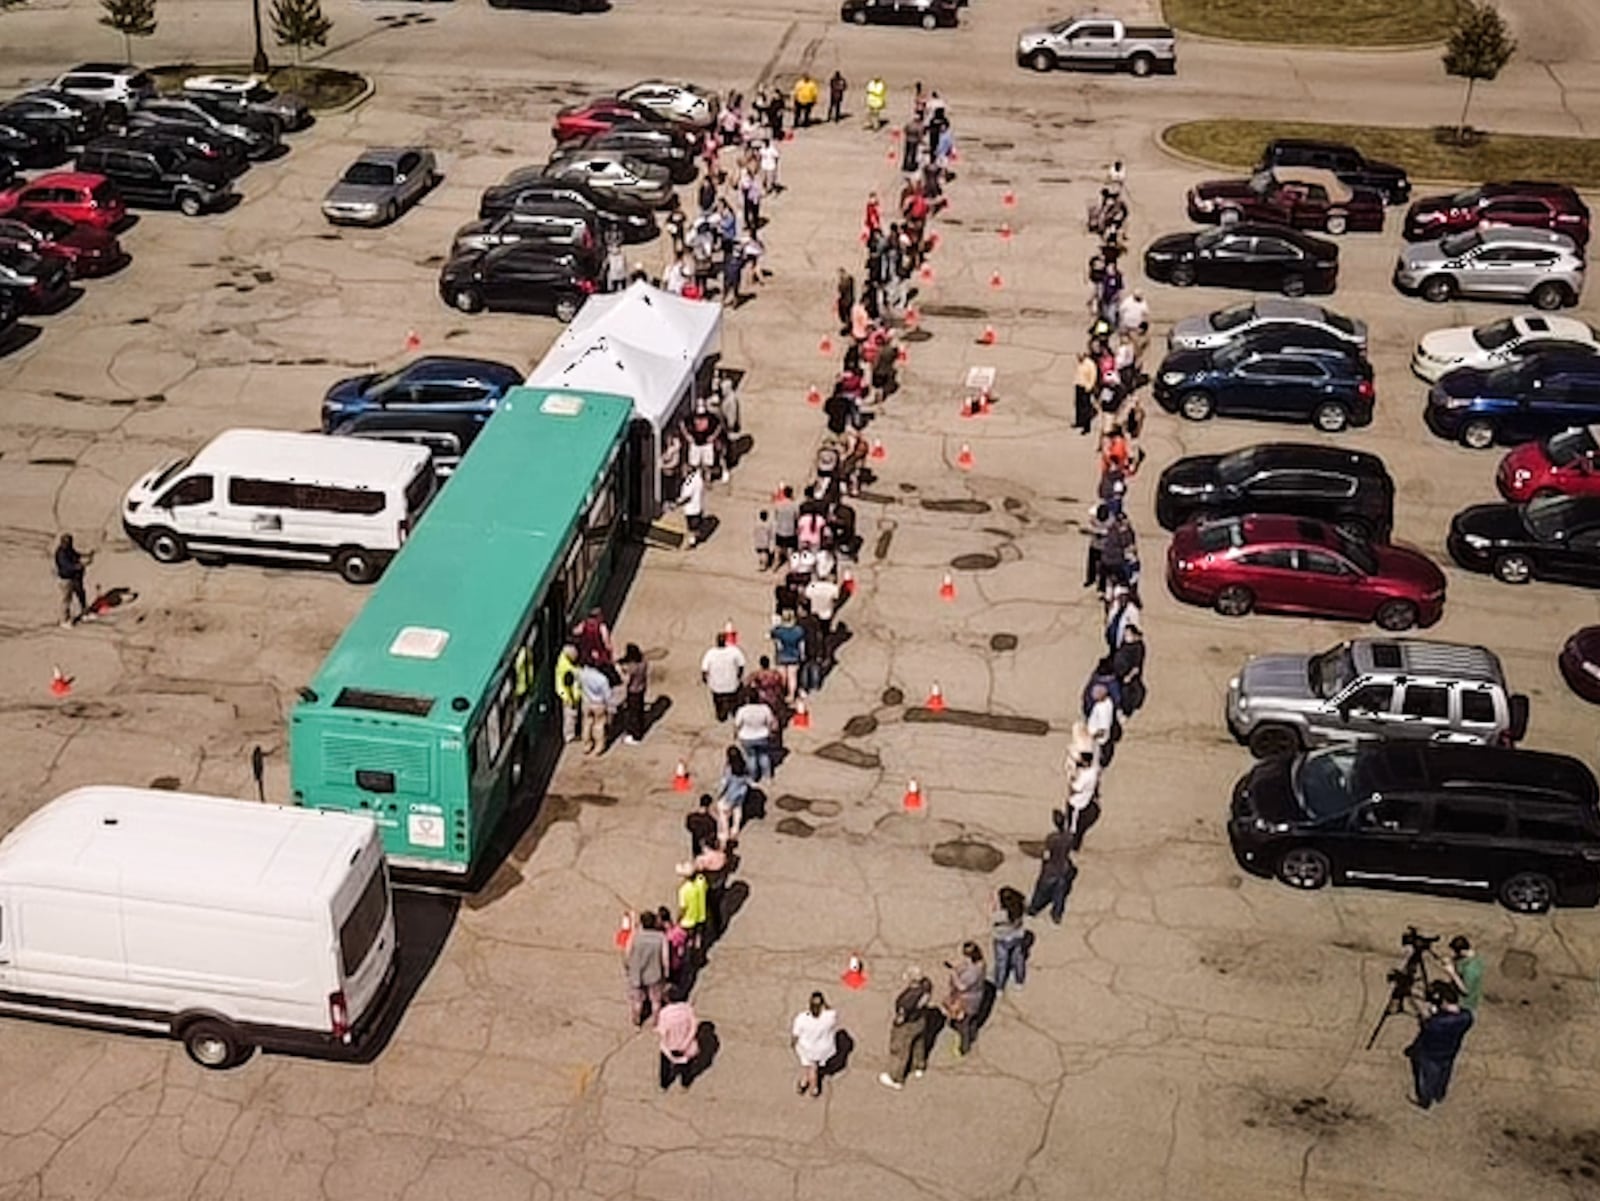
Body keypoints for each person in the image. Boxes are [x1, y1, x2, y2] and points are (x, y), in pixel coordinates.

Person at [1407, 980, 1473, 1108]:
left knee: (1426, 1078)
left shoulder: (1437, 1023)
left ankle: (1425, 1100)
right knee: (1444, 1074)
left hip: (1430, 1053)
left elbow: (1425, 1024)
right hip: (1450, 1051)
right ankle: (1439, 1094)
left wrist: (1416, 1004)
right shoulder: (1467, 1016)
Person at [878, 971, 934, 1090]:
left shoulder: (906, 1000)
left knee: (901, 1050)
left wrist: (897, 1025)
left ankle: (896, 1078)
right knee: (919, 1043)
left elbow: (901, 1017)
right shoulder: (927, 986)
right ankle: (919, 1066)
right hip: (920, 1019)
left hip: (908, 1024)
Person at [1027, 809, 1078, 923]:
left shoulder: (1051, 838)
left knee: (1040, 890)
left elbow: (1047, 854)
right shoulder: (1069, 837)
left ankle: (1034, 909)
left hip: (1051, 869)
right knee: (1059, 894)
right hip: (1063, 869)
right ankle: (1056, 915)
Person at [624, 910, 670, 1027]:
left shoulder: (635, 935)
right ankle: (656, 1020)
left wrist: (627, 966)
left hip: (636, 973)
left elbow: (627, 952)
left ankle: (636, 1018)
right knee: (656, 1000)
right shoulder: (661, 937)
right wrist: (666, 971)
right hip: (655, 973)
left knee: (637, 1000)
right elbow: (665, 957)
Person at [791, 991, 840, 1098]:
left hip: (807, 1048)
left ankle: (812, 1087)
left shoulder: (802, 1018)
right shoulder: (829, 1016)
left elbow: (795, 1035)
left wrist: (793, 1044)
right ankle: (807, 1082)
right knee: (812, 1066)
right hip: (823, 1047)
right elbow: (832, 1012)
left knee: (811, 1067)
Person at [945, 942, 986, 1057]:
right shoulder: (980, 964)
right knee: (971, 1020)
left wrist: (953, 974)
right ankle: (972, 1034)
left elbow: (962, 986)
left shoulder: (973, 972)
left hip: (967, 1001)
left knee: (963, 1024)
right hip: (975, 998)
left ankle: (964, 1047)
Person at [656, 987, 701, 1090]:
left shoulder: (665, 1013)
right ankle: (685, 1083)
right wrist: (686, 1043)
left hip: (669, 1045)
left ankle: (664, 1084)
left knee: (665, 1066)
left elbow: (662, 1031)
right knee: (687, 1066)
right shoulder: (688, 1009)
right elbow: (694, 1027)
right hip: (687, 1046)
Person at [732, 687, 778, 781]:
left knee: (751, 757)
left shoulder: (742, 710)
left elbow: (737, 725)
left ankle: (753, 777)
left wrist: (735, 734)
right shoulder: (765, 709)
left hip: (746, 737)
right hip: (762, 735)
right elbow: (770, 722)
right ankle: (767, 775)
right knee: (764, 756)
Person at [700, 632, 747, 722]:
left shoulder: (710, 653)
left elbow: (704, 669)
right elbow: (741, 665)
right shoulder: (734, 651)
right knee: (734, 698)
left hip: (716, 685)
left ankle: (721, 714)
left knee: (718, 700)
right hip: (732, 684)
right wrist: (738, 676)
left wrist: (706, 680)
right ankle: (734, 711)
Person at [991, 886, 1028, 993]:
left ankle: (999, 986)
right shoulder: (1021, 905)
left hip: (1002, 938)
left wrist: (994, 905)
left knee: (1001, 963)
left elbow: (992, 919)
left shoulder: (1001, 915)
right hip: (1017, 936)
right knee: (1018, 959)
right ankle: (1019, 981)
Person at [54, 534, 92, 627]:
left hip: (73, 578)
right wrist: (78, 566)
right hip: (65, 579)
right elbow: (67, 566)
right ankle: (64, 620)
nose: (68, 544)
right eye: (67, 542)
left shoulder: (68, 550)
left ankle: (84, 612)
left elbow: (75, 555)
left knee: (79, 594)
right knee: (65, 600)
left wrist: (86, 555)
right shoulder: (61, 553)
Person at [715, 746, 751, 844]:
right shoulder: (745, 765)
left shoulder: (729, 770)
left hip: (730, 795)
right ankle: (735, 829)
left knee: (723, 815)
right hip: (741, 793)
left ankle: (725, 833)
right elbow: (749, 779)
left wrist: (718, 794)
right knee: (737, 809)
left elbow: (724, 784)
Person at [676, 864, 710, 964]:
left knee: (688, 940)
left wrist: (679, 918)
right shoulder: (701, 880)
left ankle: (689, 959)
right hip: (701, 915)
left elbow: (683, 907)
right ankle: (699, 956)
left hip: (688, 919)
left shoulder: (684, 890)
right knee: (698, 938)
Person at [577, 662, 612, 754]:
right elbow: (607, 695)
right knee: (599, 725)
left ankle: (586, 745)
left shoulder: (581, 673)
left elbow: (579, 686)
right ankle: (598, 747)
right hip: (598, 703)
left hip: (587, 702)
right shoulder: (602, 679)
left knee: (587, 724)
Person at [770, 610, 806, 700]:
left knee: (782, 677)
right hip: (794, 655)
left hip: (782, 655)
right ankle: (791, 695)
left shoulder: (779, 631)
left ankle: (782, 693)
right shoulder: (799, 630)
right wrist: (802, 654)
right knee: (792, 677)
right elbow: (801, 644)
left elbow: (771, 636)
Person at [1111, 626, 1146, 718]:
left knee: (1127, 693)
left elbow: (1136, 667)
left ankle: (1126, 712)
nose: (1126, 636)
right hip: (1120, 673)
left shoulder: (1137, 648)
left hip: (1129, 675)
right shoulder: (1125, 644)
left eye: (1128, 634)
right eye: (1125, 634)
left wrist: (1129, 676)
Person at [618, 643, 649, 745]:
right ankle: (639, 730)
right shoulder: (644, 662)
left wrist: (621, 668)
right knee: (639, 711)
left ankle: (635, 736)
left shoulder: (633, 667)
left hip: (633, 691)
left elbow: (626, 678)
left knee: (633, 714)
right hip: (642, 688)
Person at [1445, 936, 1485, 1014]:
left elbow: (1466, 990)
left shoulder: (1471, 970)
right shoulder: (1472, 956)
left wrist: (1452, 974)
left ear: (1462, 951)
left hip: (1464, 1003)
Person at [554, 644, 582, 743]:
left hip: (574, 695)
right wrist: (567, 698)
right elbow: (562, 686)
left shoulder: (564, 660)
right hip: (569, 697)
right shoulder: (566, 668)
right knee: (570, 716)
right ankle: (570, 735)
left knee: (573, 715)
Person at [678, 466, 707, 547]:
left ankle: (692, 542)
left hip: (691, 508)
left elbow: (687, 496)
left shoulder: (689, 481)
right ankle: (696, 537)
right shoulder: (698, 478)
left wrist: (678, 503)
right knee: (695, 524)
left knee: (691, 527)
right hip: (698, 506)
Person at [773, 485, 799, 562]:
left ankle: (776, 563)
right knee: (790, 549)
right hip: (790, 530)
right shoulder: (794, 505)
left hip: (780, 529)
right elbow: (797, 517)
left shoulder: (778, 504)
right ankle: (791, 564)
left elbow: (776, 516)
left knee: (778, 548)